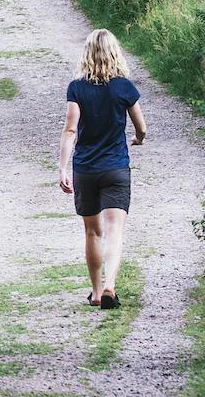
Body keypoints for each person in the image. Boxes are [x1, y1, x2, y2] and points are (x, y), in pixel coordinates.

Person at [57, 28, 146, 309]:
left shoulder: (77, 88)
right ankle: (110, 285)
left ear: (87, 54)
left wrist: (63, 168)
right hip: (116, 167)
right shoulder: (124, 87)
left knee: (92, 232)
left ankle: (96, 293)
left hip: (85, 168)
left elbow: (71, 130)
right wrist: (138, 139)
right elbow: (141, 127)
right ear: (114, 52)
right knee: (115, 230)